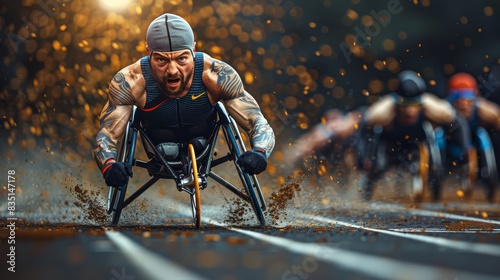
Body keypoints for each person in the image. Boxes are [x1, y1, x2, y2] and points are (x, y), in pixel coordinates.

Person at [94, 13, 275, 187]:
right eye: (161, 60)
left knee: (201, 138)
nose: (172, 70)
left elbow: (256, 121)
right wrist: (109, 165)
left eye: (182, 59)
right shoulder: (130, 81)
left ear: (193, 51)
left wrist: (260, 152)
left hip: (203, 140)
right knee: (165, 145)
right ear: (148, 53)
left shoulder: (217, 75)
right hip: (157, 144)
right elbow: (108, 134)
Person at [353, 70, 469, 200]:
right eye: (405, 105)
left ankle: (436, 192)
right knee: (378, 166)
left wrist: (464, 149)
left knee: (435, 153)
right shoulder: (382, 111)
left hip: (418, 143)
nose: (410, 111)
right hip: (390, 146)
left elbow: (457, 123)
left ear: (421, 102)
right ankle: (367, 189)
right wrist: (362, 158)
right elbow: (362, 130)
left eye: (414, 105)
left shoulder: (432, 106)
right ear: (397, 103)